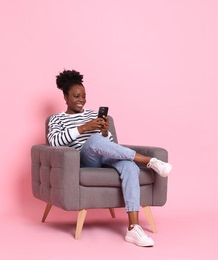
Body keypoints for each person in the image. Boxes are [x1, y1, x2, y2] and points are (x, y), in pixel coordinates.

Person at [47, 69, 172, 247]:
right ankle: (149, 161)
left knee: (129, 167)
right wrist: (84, 128)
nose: (81, 100)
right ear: (65, 98)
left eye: (84, 96)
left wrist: (105, 132)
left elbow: (110, 145)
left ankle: (133, 228)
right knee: (94, 140)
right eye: (76, 96)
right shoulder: (56, 119)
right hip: (84, 160)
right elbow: (54, 142)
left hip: (105, 157)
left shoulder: (93, 115)